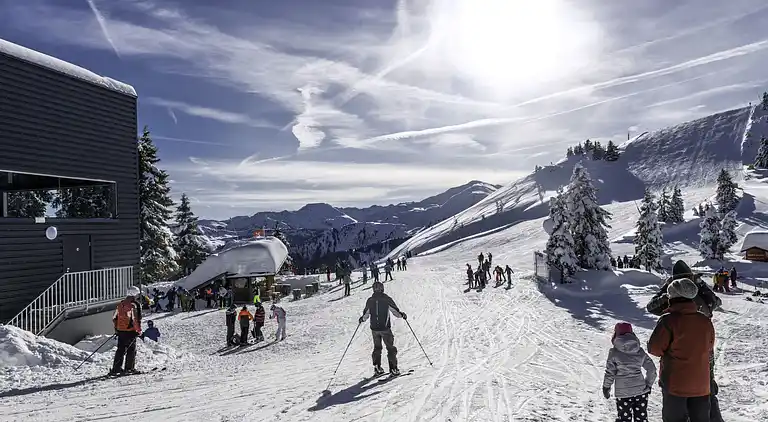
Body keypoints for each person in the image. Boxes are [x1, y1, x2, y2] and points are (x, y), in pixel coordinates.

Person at [647, 260, 723, 420]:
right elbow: (715, 302)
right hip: (702, 363)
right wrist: (699, 284)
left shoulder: (669, 317)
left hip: (676, 380)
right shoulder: (703, 313)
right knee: (705, 398)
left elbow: (655, 347)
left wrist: (668, 288)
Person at [602, 322, 656, 422]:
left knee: (624, 419)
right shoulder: (639, 351)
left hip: (623, 394)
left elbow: (610, 373)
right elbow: (651, 369)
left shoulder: (614, 353)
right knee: (641, 419)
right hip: (641, 392)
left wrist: (606, 387)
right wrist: (648, 384)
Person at [358, 281, 407, 376]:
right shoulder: (386, 299)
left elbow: (366, 314)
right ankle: (393, 368)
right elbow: (395, 312)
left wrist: (362, 319)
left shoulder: (370, 300)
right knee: (390, 348)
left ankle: (377, 367)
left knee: (377, 348)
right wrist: (402, 315)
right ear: (382, 289)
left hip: (374, 329)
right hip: (385, 328)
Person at [110, 286, 143, 375]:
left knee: (120, 350)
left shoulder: (120, 304)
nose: (137, 296)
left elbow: (114, 318)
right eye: (137, 294)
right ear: (134, 294)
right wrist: (138, 330)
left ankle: (116, 368)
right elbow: (136, 319)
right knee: (131, 350)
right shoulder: (135, 305)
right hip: (131, 331)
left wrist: (116, 329)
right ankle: (129, 368)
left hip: (121, 330)